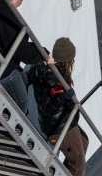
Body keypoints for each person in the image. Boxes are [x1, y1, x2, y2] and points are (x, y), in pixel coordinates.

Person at [29, 37, 89, 176]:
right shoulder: (53, 77)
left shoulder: (50, 70)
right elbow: (48, 109)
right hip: (60, 126)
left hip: (65, 121)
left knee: (84, 143)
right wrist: (63, 97)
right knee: (78, 162)